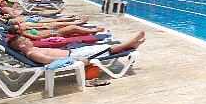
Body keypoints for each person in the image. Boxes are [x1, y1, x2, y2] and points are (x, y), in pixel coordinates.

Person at [8, 31, 146, 65]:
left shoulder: (32, 50)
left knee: (104, 47)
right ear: (21, 46)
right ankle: (132, 42)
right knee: (106, 49)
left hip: (73, 52)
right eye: (24, 39)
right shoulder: (32, 53)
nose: (27, 39)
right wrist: (77, 60)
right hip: (73, 56)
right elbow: (49, 60)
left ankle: (133, 45)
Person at [7, 22, 105, 40]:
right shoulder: (24, 34)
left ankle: (90, 31)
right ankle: (92, 30)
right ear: (18, 31)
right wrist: (51, 34)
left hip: (54, 31)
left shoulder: (25, 31)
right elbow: (38, 37)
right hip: (54, 34)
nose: (21, 26)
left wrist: (46, 28)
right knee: (73, 28)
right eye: (18, 27)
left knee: (73, 28)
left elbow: (37, 31)